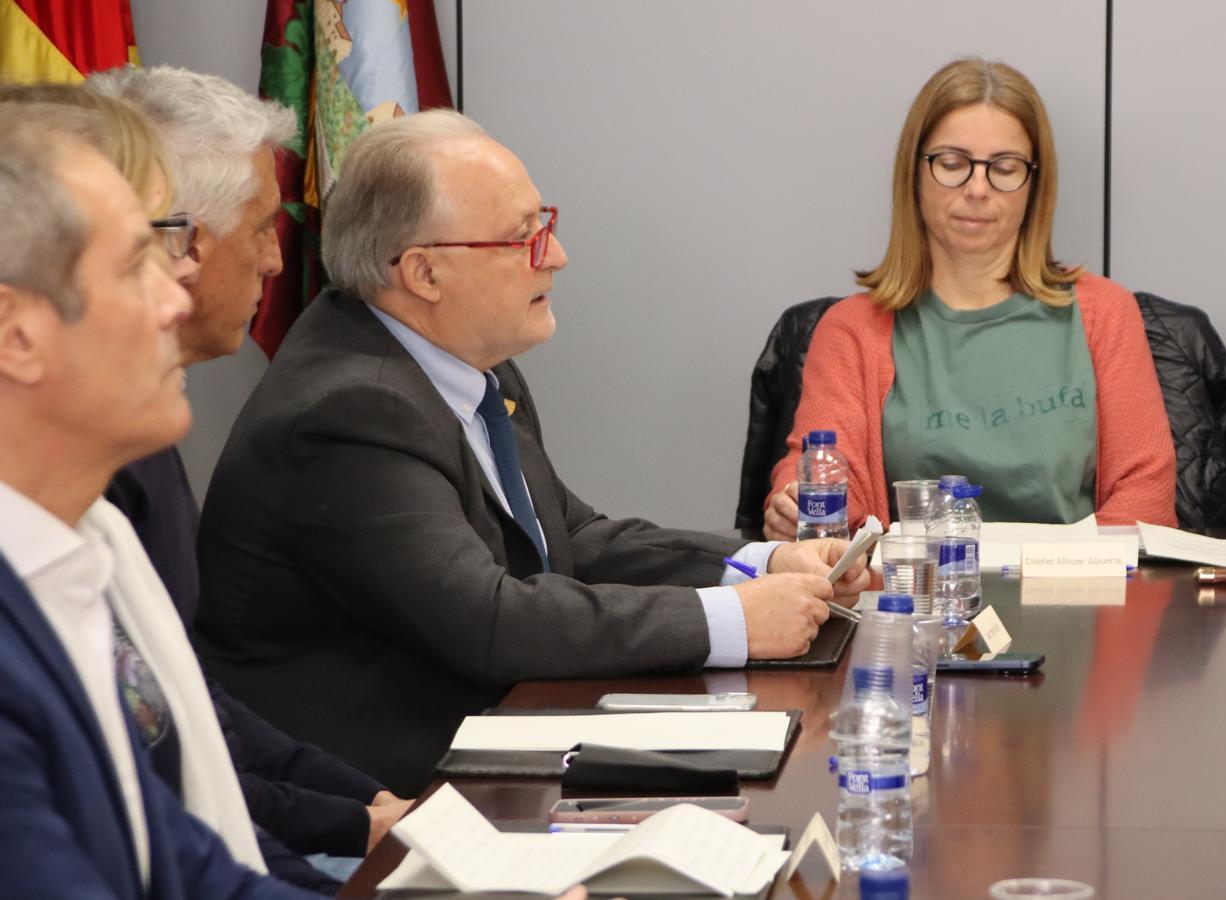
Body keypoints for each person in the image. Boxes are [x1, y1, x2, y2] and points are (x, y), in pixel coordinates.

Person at [195, 110, 870, 793]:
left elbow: (570, 538)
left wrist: (761, 564)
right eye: (523, 237)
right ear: (424, 272)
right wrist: (731, 621)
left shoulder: (470, 365)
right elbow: (487, 619)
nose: (556, 255)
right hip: (368, 802)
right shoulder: (351, 409)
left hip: (496, 747)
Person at [75, 67, 408, 890]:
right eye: (262, 227)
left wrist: (364, 808)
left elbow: (181, 704)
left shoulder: (141, 431)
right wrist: (345, 830)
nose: (276, 260)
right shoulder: (87, 468)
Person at [0, 110, 317, 900]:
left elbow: (194, 868)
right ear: (16, 334)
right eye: (135, 264)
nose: (176, 299)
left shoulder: (66, 560)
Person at [762, 58, 1175, 539]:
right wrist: (797, 502)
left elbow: (1146, 498)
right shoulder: (851, 329)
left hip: (1074, 583)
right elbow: (826, 480)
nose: (978, 189)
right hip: (916, 584)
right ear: (914, 172)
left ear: (1034, 184)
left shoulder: (1104, 313)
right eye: (953, 164)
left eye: (1005, 168)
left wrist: (1054, 572)